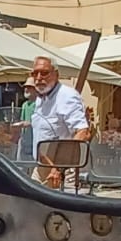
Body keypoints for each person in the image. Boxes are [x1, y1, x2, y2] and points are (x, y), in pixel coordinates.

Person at [28, 56, 92, 188]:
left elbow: (82, 132)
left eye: (44, 73)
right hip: (41, 166)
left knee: (59, 208)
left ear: (56, 74)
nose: (39, 77)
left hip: (62, 170)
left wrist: (58, 168)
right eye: (35, 73)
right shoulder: (41, 98)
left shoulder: (67, 96)